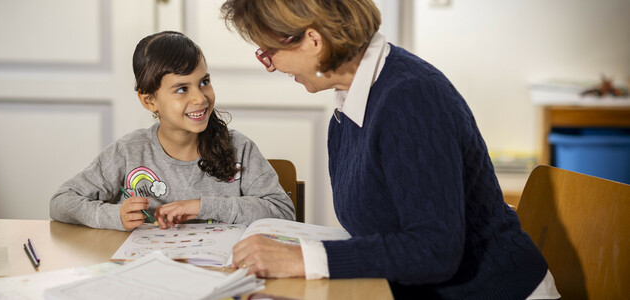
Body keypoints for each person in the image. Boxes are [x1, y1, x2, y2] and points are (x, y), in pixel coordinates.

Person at [221, 0, 560, 299]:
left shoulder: (410, 98)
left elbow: (435, 249)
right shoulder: (349, 107)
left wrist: (303, 258)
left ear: (313, 40)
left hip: (490, 292)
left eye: (269, 52)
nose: (271, 66)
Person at [50, 31, 295, 231]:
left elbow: (283, 212)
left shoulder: (240, 148)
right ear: (149, 101)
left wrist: (201, 207)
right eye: (181, 89)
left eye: (204, 82)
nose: (200, 98)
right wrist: (114, 215)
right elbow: (61, 201)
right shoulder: (128, 151)